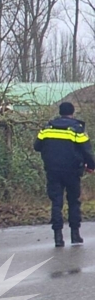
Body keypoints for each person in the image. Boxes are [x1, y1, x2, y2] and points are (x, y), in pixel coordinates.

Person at [34, 101, 95, 247]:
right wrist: (91, 166)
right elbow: (86, 150)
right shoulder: (76, 129)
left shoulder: (47, 128)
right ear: (72, 113)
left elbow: (37, 146)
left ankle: (58, 237)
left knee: (56, 202)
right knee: (74, 201)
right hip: (72, 171)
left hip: (53, 170)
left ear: (60, 112)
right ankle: (75, 235)